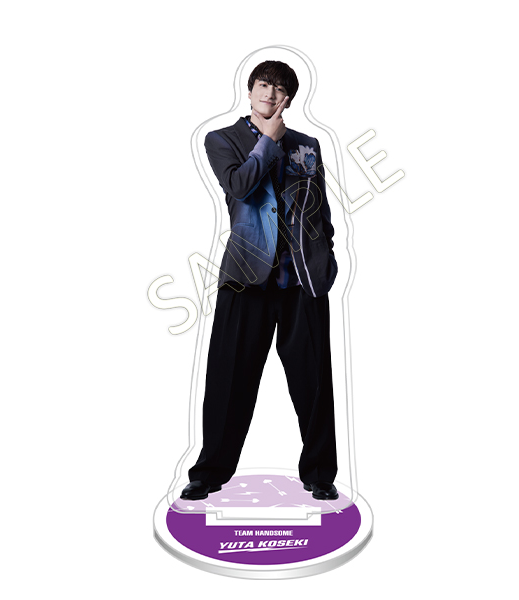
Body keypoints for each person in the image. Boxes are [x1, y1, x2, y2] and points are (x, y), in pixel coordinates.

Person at [181, 60, 339, 502]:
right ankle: (209, 472)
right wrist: (267, 140)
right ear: (250, 89)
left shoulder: (308, 145)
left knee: (313, 382)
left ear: (289, 98)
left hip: (302, 280)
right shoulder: (222, 139)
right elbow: (240, 187)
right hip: (245, 277)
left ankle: (320, 473)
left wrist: (325, 256)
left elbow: (320, 208)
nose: (270, 94)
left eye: (280, 89)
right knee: (229, 378)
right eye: (264, 85)